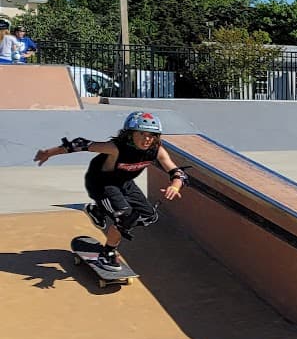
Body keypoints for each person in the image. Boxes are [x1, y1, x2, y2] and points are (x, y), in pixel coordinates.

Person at [33, 110, 187, 271]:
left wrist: (175, 185)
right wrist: (48, 153)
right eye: (141, 134)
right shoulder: (115, 148)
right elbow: (80, 144)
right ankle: (107, 253)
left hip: (125, 183)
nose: (147, 139)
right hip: (102, 184)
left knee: (149, 216)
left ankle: (97, 210)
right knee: (125, 218)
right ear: (130, 134)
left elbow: (176, 171)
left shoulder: (157, 150)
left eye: (151, 135)